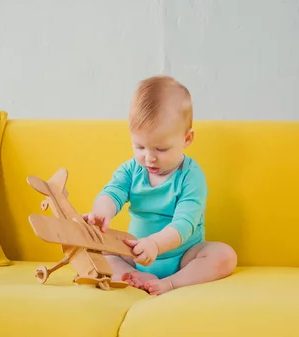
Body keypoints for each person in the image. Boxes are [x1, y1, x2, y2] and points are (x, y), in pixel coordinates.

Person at [82, 75, 237, 295]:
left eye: (161, 149)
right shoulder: (131, 170)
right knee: (95, 250)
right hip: (136, 252)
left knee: (224, 255)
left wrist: (155, 244)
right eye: (140, 146)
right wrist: (101, 213)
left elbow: (184, 224)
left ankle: (172, 283)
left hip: (183, 256)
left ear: (187, 139)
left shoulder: (191, 177)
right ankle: (136, 275)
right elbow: (112, 192)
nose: (149, 158)